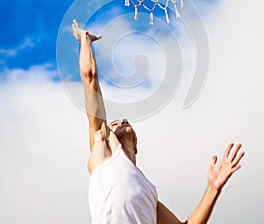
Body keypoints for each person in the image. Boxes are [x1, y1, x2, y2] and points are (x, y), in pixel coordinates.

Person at [72, 19, 245, 224]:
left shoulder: (148, 191)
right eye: (115, 123)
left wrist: (213, 188)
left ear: (137, 147)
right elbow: (89, 76)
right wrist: (85, 40)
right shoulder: (102, 152)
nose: (122, 122)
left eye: (123, 121)